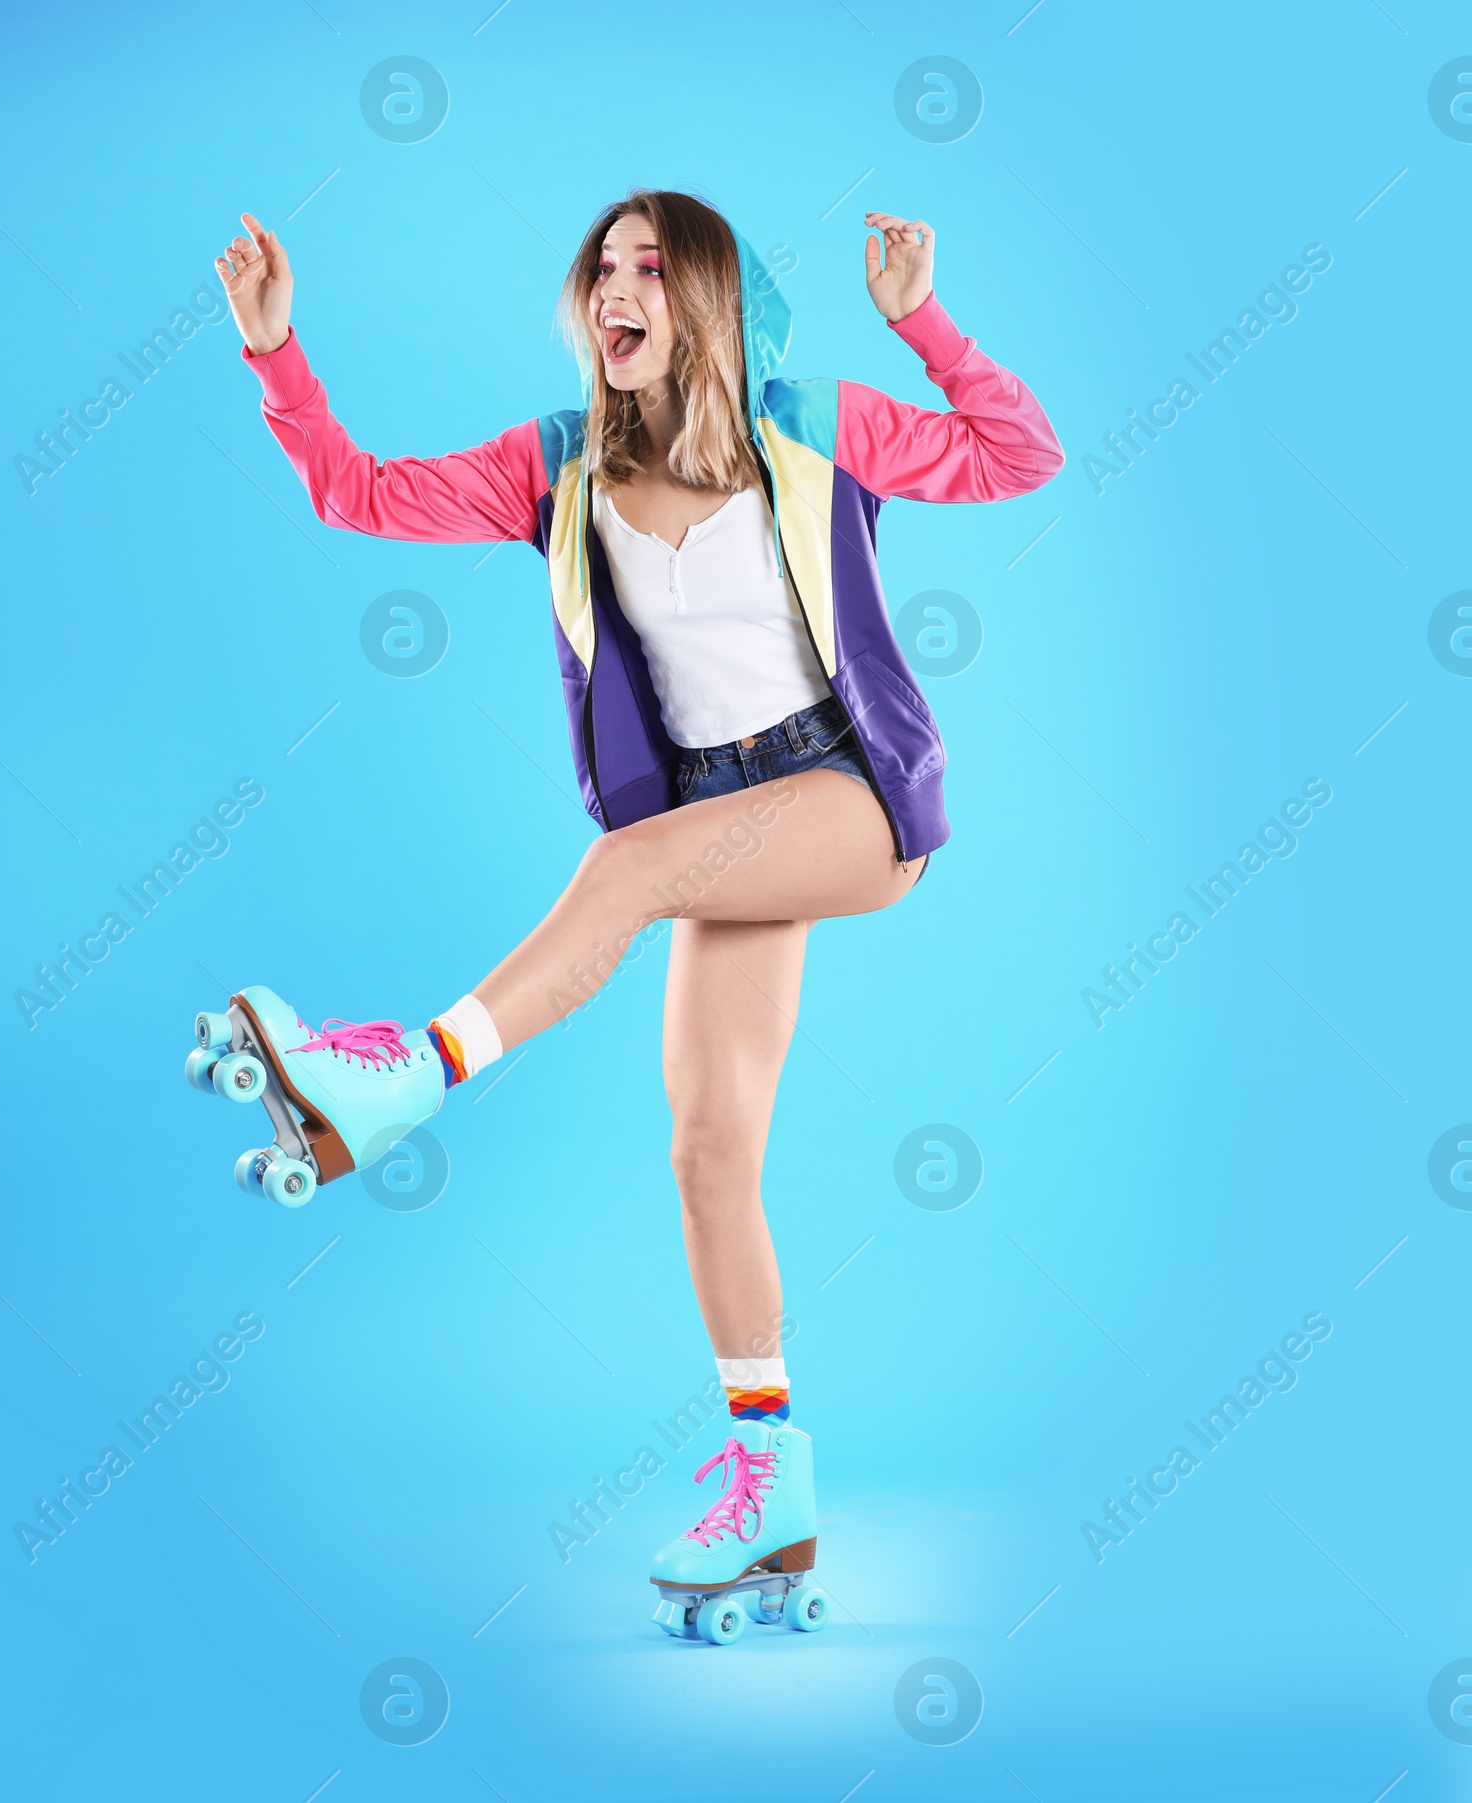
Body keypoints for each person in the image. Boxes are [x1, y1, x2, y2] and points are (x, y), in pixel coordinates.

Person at [202, 188, 1063, 1641]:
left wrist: (922, 317)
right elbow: (355, 490)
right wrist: (276, 357)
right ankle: (772, 1487)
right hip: (722, 827)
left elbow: (1017, 455)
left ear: (709, 299)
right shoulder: (559, 469)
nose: (617, 289)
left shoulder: (814, 424)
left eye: (651, 268)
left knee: (626, 870)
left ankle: (400, 1081)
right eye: (602, 268)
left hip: (848, 803)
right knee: (709, 1148)